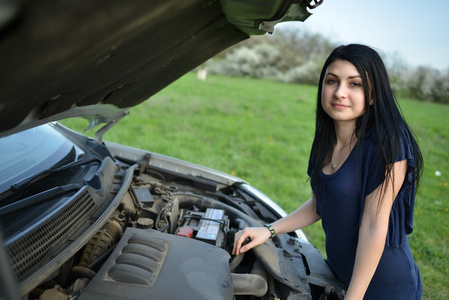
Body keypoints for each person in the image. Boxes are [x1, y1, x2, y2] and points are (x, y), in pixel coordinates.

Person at [232, 44, 423, 300]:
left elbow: (373, 226)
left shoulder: (388, 144)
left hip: (382, 284)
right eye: (332, 81)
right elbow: (319, 204)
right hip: (338, 273)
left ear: (373, 94)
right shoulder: (326, 140)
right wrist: (269, 229)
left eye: (354, 84)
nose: (340, 93)